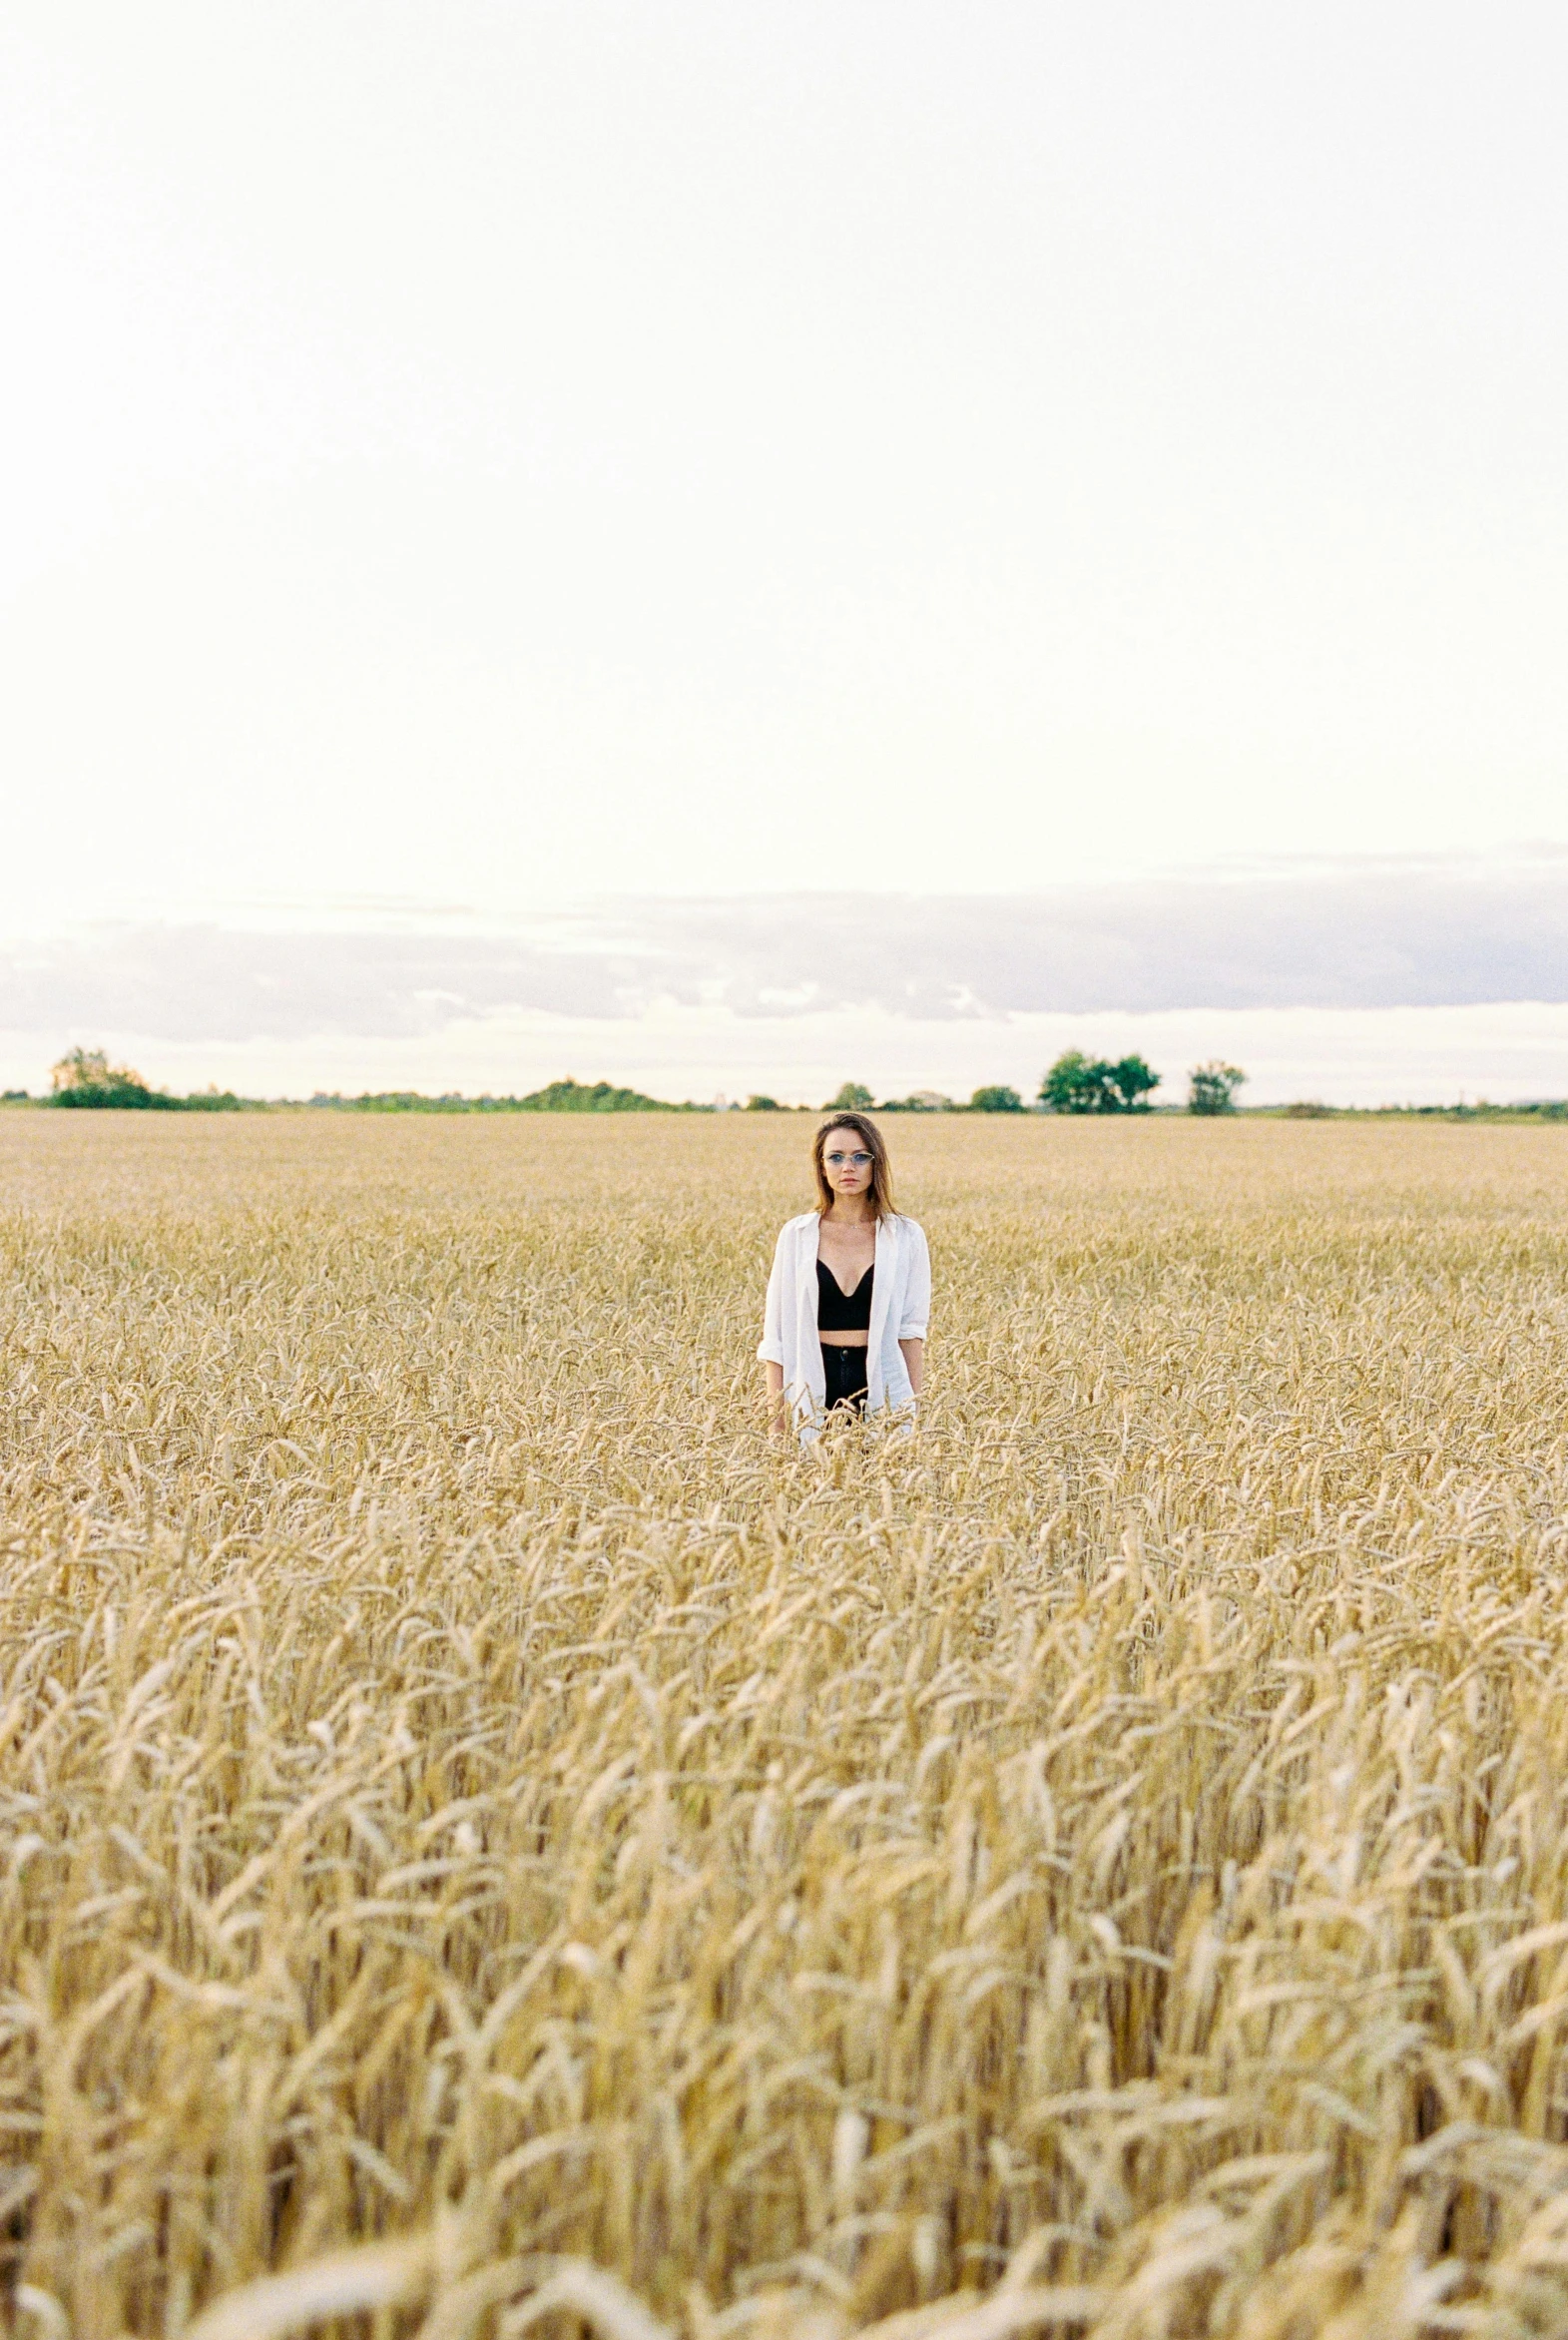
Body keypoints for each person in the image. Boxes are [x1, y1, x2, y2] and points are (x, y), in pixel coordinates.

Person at [759, 1113, 930, 1439]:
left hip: (883, 1385)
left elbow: (911, 1333)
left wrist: (912, 1416)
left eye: (859, 1157)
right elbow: (776, 1338)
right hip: (811, 1385)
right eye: (835, 1157)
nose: (847, 1167)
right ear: (821, 1167)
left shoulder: (906, 1236)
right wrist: (777, 1423)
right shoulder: (796, 1235)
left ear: (876, 1163)